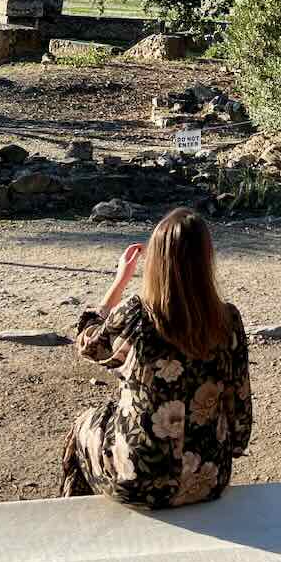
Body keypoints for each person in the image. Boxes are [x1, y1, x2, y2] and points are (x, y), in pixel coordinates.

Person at [60, 206, 252, 508]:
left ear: (157, 262)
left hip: (137, 481)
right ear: (206, 261)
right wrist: (231, 446)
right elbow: (239, 406)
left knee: (84, 425)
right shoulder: (227, 320)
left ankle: (76, 529)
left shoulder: (136, 315)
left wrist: (120, 280)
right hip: (209, 478)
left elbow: (87, 343)